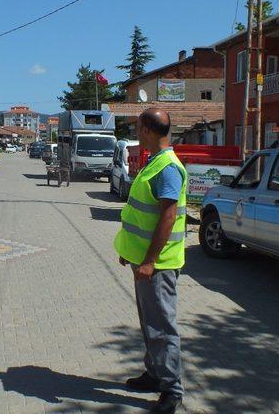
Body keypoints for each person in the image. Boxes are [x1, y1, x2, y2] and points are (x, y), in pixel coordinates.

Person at [114, 108, 187, 414]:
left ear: (147, 130)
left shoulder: (167, 167)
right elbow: (142, 214)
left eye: (138, 128)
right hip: (143, 261)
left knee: (161, 326)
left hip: (158, 265)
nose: (136, 133)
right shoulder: (154, 162)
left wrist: (148, 261)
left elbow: (167, 218)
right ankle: (155, 374)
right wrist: (130, 253)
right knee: (149, 323)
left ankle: (172, 389)